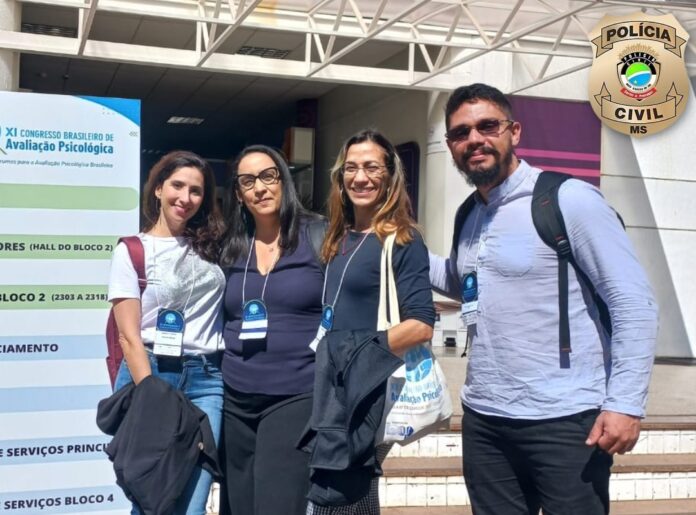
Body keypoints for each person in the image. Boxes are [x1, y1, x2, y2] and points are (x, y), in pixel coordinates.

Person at [429, 83, 659, 514]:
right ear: (450, 146)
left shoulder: (568, 199)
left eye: (487, 126)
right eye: (462, 133)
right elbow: (466, 284)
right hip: (486, 419)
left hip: (566, 420)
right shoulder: (469, 212)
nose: (474, 139)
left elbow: (633, 302)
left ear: (514, 131)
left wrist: (626, 402)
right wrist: (394, 245)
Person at [306, 129, 435, 515]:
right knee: (337, 493)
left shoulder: (402, 239)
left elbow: (421, 323)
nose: (360, 178)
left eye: (371, 167)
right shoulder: (337, 237)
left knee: (345, 494)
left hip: (366, 388)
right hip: (333, 386)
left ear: (390, 175)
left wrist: (355, 355)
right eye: (351, 168)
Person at [108, 150, 226, 515]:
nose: (185, 198)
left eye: (195, 191)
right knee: (153, 499)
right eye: (177, 185)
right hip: (151, 374)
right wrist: (153, 396)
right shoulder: (132, 250)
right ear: (158, 189)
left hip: (206, 381)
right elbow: (128, 335)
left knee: (193, 501)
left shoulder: (214, 246)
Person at [219, 145, 325, 515]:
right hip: (234, 397)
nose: (259, 188)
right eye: (248, 181)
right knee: (239, 507)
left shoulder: (319, 236)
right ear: (238, 193)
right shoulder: (230, 247)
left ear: (283, 180)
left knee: (277, 506)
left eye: (268, 176)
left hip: (294, 394)